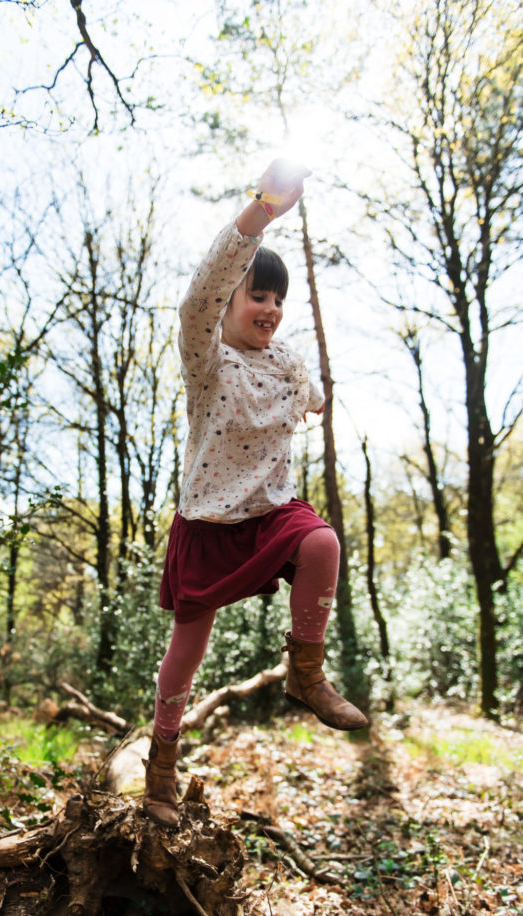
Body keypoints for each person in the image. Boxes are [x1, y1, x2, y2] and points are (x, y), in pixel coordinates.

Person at [143, 159, 368, 828]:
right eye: (257, 296)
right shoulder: (207, 355)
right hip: (208, 521)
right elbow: (199, 295)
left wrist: (318, 401)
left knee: (322, 542)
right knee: (187, 649)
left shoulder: (287, 359)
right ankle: (161, 762)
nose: (269, 309)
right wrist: (260, 212)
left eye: (278, 299)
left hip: (271, 513)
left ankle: (306, 671)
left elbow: (315, 398)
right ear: (231, 302)